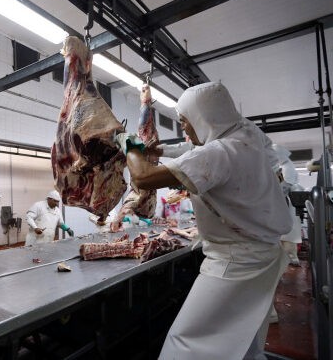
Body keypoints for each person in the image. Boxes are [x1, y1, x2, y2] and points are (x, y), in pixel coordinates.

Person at [117, 82, 292, 360]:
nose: (184, 128)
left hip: (235, 262)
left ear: (204, 118)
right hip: (261, 254)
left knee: (185, 343)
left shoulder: (220, 153)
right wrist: (161, 151)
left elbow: (142, 177)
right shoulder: (246, 134)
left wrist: (130, 146)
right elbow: (196, 152)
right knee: (242, 340)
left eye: (185, 122)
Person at [272, 144, 303, 266]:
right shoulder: (282, 167)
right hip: (283, 207)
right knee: (284, 237)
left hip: (288, 206)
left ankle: (292, 260)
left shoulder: (287, 167)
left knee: (288, 238)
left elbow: (286, 185)